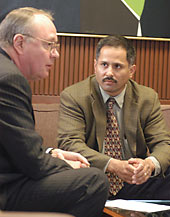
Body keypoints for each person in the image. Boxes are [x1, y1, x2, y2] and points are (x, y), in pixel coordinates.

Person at [0, 7, 109, 217]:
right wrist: (67, 165)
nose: (56, 54)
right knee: (93, 181)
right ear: (20, 43)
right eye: (49, 45)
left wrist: (52, 153)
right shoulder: (9, 79)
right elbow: (32, 163)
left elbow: (15, 145)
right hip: (5, 188)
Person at [57, 35, 170, 200]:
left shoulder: (147, 97)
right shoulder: (74, 96)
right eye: (104, 65)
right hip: (93, 180)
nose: (109, 72)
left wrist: (149, 165)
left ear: (131, 71)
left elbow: (163, 144)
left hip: (134, 181)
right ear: (95, 66)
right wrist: (113, 165)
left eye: (117, 66)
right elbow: (70, 144)